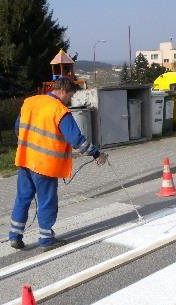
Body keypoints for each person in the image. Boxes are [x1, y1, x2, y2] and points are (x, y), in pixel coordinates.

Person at [9, 77, 107, 250]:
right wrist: (96, 153)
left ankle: (14, 236)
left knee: (23, 197)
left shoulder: (30, 102)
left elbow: (17, 128)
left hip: (25, 160)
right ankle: (46, 240)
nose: (69, 101)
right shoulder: (59, 110)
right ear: (62, 91)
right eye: (69, 96)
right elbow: (76, 139)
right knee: (47, 201)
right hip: (45, 165)